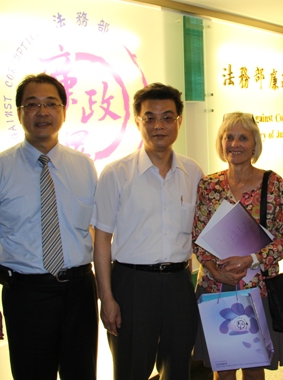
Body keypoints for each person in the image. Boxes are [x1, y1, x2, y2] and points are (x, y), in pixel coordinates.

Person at [0, 73, 99, 379]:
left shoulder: (84, 165)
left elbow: (94, 232)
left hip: (79, 290)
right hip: (26, 295)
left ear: (64, 110)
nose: (42, 112)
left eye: (51, 104)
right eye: (32, 104)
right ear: (20, 112)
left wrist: (104, 291)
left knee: (83, 373)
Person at [93, 83, 203, 380]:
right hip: (131, 286)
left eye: (167, 117)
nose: (158, 126)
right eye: (149, 118)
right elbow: (101, 239)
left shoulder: (193, 172)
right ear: (137, 121)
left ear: (179, 121)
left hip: (180, 284)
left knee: (178, 368)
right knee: (131, 370)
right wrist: (107, 298)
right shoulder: (116, 173)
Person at [192, 112, 283, 380]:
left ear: (254, 144)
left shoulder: (273, 184)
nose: (235, 144)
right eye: (229, 137)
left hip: (256, 287)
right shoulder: (208, 185)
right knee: (223, 366)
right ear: (221, 142)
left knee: (252, 364)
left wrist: (252, 258)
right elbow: (196, 235)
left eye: (243, 138)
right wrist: (214, 269)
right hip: (216, 287)